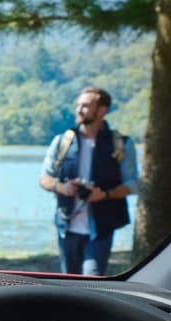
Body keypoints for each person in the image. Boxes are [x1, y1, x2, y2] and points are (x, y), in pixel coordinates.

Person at [38, 86, 142, 276]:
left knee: (92, 279)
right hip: (66, 226)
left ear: (102, 110)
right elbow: (44, 178)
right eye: (78, 105)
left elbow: (133, 184)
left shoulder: (121, 144)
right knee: (68, 283)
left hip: (101, 227)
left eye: (85, 106)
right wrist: (62, 187)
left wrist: (104, 195)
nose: (79, 110)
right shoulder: (62, 141)